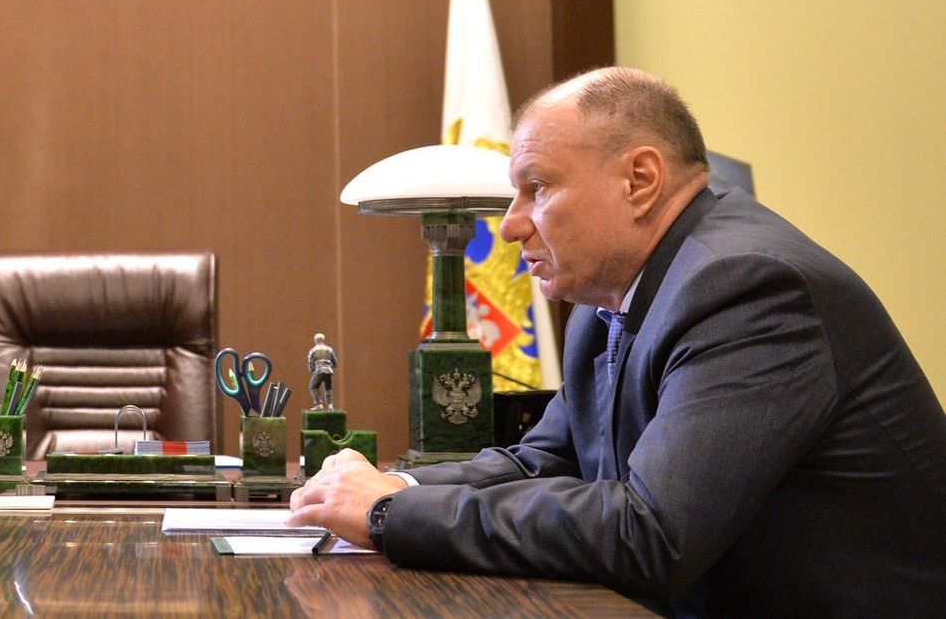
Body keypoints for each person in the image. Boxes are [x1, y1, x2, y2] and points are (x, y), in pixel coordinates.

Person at [289, 67, 946, 615]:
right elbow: (544, 461)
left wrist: (388, 516)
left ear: (640, 181)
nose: (511, 225)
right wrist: (397, 484)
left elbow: (650, 533)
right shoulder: (610, 298)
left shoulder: (748, 290)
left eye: (537, 189)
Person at [306, 333, 336, 410]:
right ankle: (330, 405)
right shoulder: (329, 349)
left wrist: (313, 370)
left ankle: (318, 404)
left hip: (319, 370)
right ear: (323, 340)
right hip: (328, 371)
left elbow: (310, 363)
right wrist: (330, 366)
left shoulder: (313, 350)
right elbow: (335, 362)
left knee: (313, 387)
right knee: (328, 388)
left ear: (315, 340)